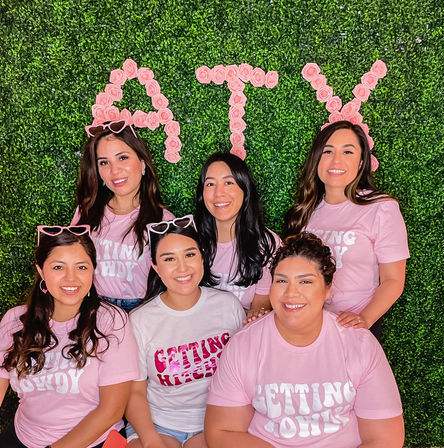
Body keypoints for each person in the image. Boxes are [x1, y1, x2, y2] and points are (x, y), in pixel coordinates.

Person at [205, 232, 405, 448]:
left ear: (328, 289)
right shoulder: (244, 345)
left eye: (305, 282)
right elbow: (222, 432)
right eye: (281, 281)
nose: (291, 293)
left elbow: (385, 438)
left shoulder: (359, 344)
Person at [0, 225, 139, 448]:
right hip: (23, 438)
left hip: (93, 442)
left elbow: (111, 411)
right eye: (58, 267)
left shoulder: (111, 321)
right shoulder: (14, 321)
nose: (71, 278)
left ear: (93, 269)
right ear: (41, 271)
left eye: (81, 267)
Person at [125, 216, 245, 448]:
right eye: (169, 259)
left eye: (189, 254)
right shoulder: (140, 320)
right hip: (157, 422)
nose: (182, 268)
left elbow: (244, 377)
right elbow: (134, 392)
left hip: (216, 420)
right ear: (155, 267)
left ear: (202, 257)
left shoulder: (227, 306)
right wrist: (151, 441)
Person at [284, 121, 409, 338]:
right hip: (309, 328)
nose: (336, 160)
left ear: (361, 162)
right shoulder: (305, 210)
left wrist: (365, 319)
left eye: (348, 151)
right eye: (328, 151)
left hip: (354, 327)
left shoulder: (381, 208)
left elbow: (393, 280)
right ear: (317, 159)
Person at [72, 122, 175, 312]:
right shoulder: (86, 212)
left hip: (143, 309)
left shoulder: (163, 220)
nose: (114, 170)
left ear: (142, 164)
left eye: (123, 158)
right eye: (104, 162)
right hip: (94, 307)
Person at [195, 152, 279, 321]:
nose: (219, 193)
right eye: (210, 184)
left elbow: (261, 305)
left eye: (228, 183)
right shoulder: (191, 238)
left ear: (245, 189)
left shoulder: (267, 242)